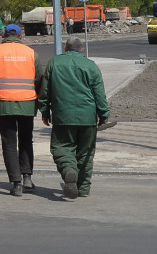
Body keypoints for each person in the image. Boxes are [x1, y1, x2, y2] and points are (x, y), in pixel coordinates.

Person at [39, 35, 111, 200]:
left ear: (65, 49)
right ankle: (83, 188)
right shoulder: (91, 66)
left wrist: (44, 111)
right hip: (87, 117)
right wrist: (104, 115)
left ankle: (69, 170)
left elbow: (45, 91)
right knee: (86, 152)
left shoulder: (54, 63)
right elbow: (99, 94)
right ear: (82, 50)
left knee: (62, 147)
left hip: (62, 116)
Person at [0, 23, 41, 197]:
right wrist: (42, 105)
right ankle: (27, 176)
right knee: (26, 140)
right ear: (20, 37)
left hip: (4, 103)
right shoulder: (31, 53)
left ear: (4, 36)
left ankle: (16, 184)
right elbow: (40, 81)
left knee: (9, 143)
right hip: (27, 104)